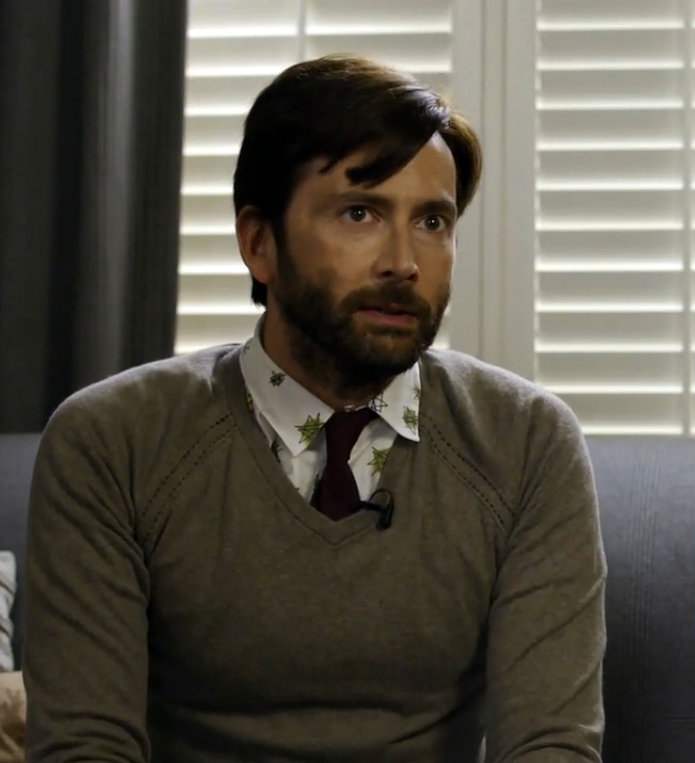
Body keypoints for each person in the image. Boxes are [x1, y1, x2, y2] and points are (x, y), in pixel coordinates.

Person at [25, 55, 606, 761]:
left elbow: (550, 746)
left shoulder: (527, 443)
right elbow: (85, 747)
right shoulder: (113, 442)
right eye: (360, 213)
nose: (404, 262)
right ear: (259, 244)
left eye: (432, 220)